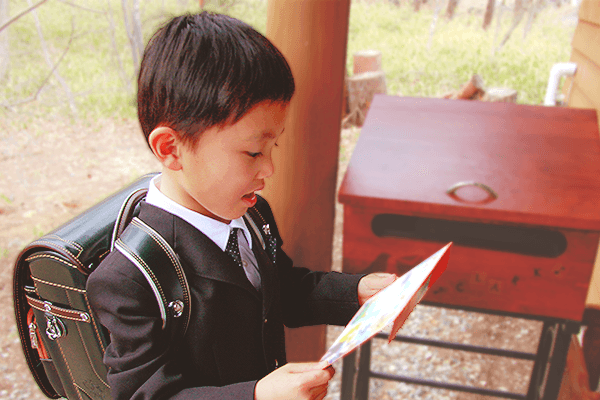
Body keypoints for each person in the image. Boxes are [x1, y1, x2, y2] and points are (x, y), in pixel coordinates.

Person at [87, 11, 396, 400]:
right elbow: (147, 395)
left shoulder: (251, 214)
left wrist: (358, 292)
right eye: (252, 152)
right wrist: (255, 395)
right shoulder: (130, 280)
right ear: (171, 149)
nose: (269, 168)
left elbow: (280, 289)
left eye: (273, 147)